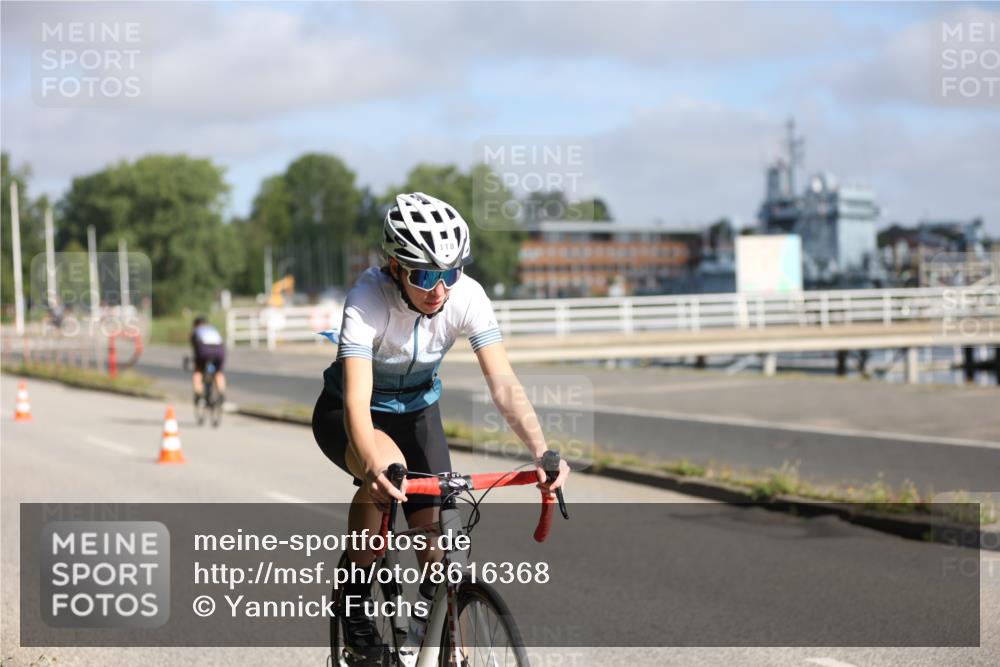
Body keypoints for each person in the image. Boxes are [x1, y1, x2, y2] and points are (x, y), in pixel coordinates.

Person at [313, 192, 569, 665]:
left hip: (417, 414)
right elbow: (355, 397)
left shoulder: (466, 295)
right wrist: (372, 465)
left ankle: (441, 640)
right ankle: (353, 607)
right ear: (393, 267)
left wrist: (541, 450)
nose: (439, 289)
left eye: (449, 273)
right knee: (389, 475)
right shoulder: (367, 300)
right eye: (424, 275)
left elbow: (504, 383)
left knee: (442, 553)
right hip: (352, 412)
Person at [190, 316, 227, 406]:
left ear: (195, 324)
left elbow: (195, 348)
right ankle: (221, 393)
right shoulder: (213, 329)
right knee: (218, 372)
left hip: (204, 350)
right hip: (219, 351)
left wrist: (196, 362)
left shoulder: (196, 330)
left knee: (198, 371)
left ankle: (198, 394)